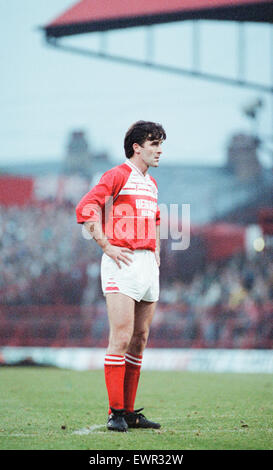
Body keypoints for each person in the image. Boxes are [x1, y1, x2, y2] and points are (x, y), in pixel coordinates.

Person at [76, 120, 166, 432]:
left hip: (146, 265)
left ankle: (129, 412)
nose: (159, 150)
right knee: (122, 337)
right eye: (154, 144)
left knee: (140, 340)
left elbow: (155, 217)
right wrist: (105, 244)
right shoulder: (117, 175)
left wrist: (156, 248)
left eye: (160, 144)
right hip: (121, 262)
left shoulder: (151, 183)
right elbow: (86, 207)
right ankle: (115, 412)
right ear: (136, 147)